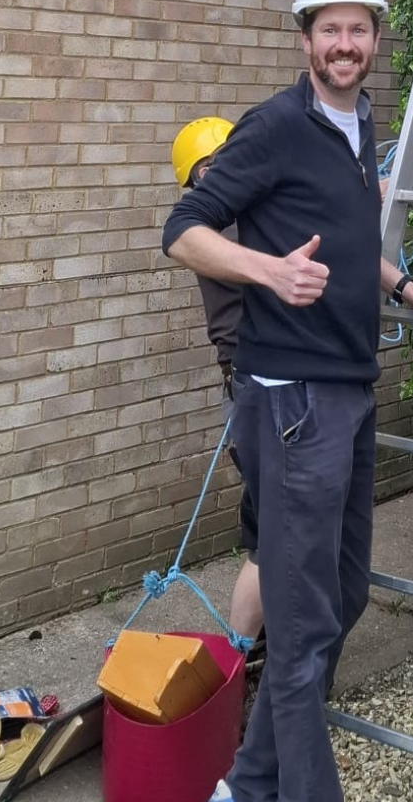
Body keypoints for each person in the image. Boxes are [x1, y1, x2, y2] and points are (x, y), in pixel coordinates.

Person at [163, 0, 413, 802]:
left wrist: (409, 290)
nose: (344, 43)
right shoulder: (273, 127)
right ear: (306, 39)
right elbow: (182, 230)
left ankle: (247, 785)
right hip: (292, 400)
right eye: (329, 28)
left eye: (357, 28)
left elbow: (347, 237)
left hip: (349, 388)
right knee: (299, 634)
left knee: (341, 593)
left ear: (374, 38)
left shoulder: (358, 125)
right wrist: (268, 270)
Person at [170, 117, 268, 656]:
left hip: (251, 385)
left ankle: (258, 640)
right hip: (253, 389)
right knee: (270, 531)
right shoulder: (219, 230)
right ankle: (242, 651)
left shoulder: (231, 218)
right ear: (205, 174)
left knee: (272, 521)